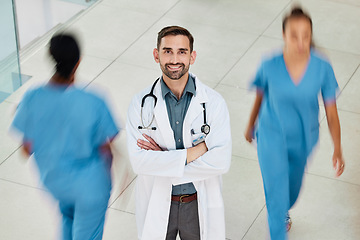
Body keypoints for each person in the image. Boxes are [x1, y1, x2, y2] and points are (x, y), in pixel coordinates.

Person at [244, 7, 345, 240]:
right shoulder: (270, 65)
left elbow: (331, 112)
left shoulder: (322, 67)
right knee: (276, 198)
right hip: (270, 136)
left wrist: (337, 147)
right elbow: (260, 96)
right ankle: (278, 216)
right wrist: (251, 124)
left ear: (311, 36)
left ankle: (282, 208)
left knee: (292, 191)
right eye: (294, 35)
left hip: (303, 138)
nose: (300, 42)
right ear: (283, 35)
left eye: (305, 35)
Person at [126, 26, 232, 240]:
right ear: (156, 55)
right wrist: (197, 151)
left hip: (197, 204)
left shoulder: (213, 103)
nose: (174, 59)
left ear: (192, 56)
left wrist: (163, 159)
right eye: (167, 51)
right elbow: (139, 162)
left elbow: (221, 161)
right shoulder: (140, 104)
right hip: (157, 202)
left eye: (182, 51)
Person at [11, 33, 120, 240]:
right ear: (78, 63)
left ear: (51, 58)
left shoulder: (32, 98)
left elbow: (26, 150)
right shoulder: (93, 101)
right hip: (90, 188)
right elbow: (107, 148)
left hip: (56, 183)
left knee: (68, 220)